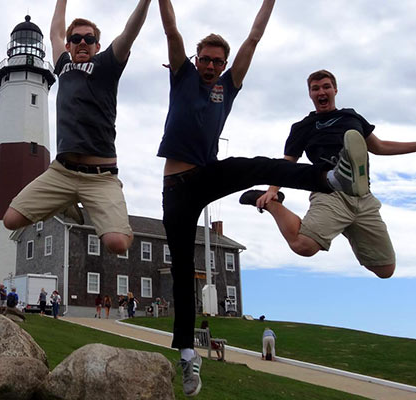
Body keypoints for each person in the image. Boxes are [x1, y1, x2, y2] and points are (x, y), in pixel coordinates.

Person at [155, 1, 370, 396]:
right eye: (205, 59)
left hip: (207, 174)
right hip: (175, 188)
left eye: (217, 62)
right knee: (184, 269)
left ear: (223, 65)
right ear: (195, 59)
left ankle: (331, 178)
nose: (211, 66)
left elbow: (253, 38)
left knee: (258, 165)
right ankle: (187, 356)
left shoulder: (227, 85)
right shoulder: (182, 76)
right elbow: (171, 30)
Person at [241, 69, 416, 279]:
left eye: (326, 87)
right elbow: (287, 162)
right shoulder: (303, 127)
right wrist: (272, 191)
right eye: (315, 89)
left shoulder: (350, 117)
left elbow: (379, 146)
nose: (321, 92)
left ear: (335, 90)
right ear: (310, 94)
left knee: (385, 270)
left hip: (363, 197)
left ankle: (348, 222)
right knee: (303, 246)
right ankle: (274, 205)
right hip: (329, 191)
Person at [2, 0, 153, 255]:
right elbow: (54, 32)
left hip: (100, 176)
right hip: (62, 172)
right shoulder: (63, 67)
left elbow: (130, 32)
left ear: (98, 45)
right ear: (69, 45)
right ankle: (66, 201)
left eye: (89, 38)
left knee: (116, 244)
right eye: (76, 38)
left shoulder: (107, 65)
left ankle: (115, 218)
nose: (83, 42)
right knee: (10, 220)